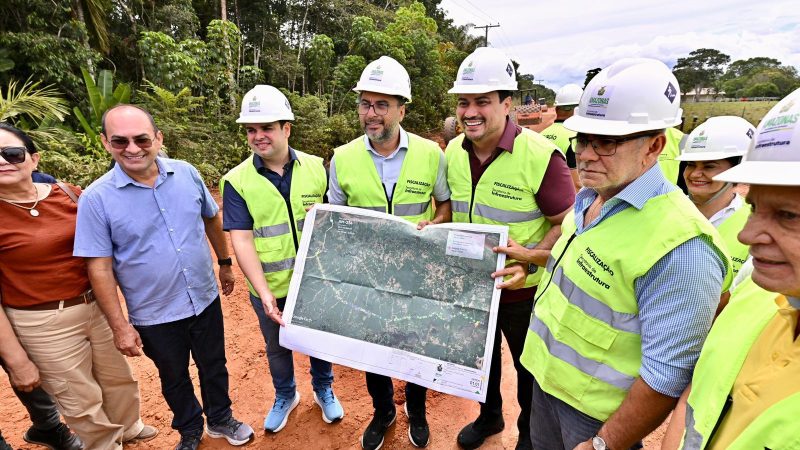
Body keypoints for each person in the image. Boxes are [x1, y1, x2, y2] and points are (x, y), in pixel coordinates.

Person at [519, 58, 732, 450]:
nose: (585, 155)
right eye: (583, 140)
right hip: (543, 380)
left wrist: (604, 443)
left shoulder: (682, 248)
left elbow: (666, 374)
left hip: (594, 416)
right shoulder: (589, 200)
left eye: (607, 143)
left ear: (654, 146)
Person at [73, 105, 253, 450]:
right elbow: (98, 266)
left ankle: (220, 419)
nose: (132, 148)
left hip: (203, 297)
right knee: (174, 377)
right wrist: (120, 325)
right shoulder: (96, 199)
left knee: (214, 364)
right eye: (120, 141)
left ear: (158, 139)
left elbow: (211, 218)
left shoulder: (186, 174)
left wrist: (225, 262)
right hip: (153, 313)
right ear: (105, 143)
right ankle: (189, 429)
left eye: (141, 139)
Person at [445, 47, 575, 450]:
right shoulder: (452, 152)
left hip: (525, 290)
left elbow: (567, 225)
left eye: (482, 101)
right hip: (472, 286)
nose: (470, 111)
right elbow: (450, 208)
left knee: (527, 365)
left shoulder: (539, 156)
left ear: (507, 103)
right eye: (464, 102)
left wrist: (533, 258)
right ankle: (489, 417)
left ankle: (530, 432)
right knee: (480, 360)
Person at [0, 122, 155, 449]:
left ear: (34, 159)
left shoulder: (69, 193)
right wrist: (16, 360)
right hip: (40, 322)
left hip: (94, 305)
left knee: (118, 377)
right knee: (78, 396)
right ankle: (104, 444)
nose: (3, 161)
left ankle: (129, 426)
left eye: (11, 153)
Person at [662, 86, 800, 449]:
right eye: (754, 207)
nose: (747, 235)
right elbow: (703, 386)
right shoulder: (757, 290)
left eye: (787, 216)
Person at [327, 55, 452, 450]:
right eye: (365, 103)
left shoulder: (432, 154)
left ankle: (417, 410)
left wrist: (436, 223)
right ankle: (383, 412)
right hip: (368, 277)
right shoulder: (343, 158)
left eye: (382, 104)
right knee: (373, 349)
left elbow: (445, 205)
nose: (372, 113)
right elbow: (337, 217)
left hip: (417, 274)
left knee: (416, 343)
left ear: (402, 108)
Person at [221, 85, 344, 432]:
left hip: (316, 281)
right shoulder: (237, 181)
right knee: (277, 348)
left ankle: (323, 389)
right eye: (251, 130)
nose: (258, 136)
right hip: (269, 286)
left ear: (286, 129)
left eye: (267, 128)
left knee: (319, 342)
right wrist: (262, 292)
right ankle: (286, 395)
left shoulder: (317, 168)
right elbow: (242, 240)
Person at [675, 116, 755, 278]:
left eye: (709, 166)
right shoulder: (664, 210)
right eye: (691, 164)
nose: (695, 174)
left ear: (738, 169)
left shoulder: (754, 225)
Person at [541, 83, 584, 191]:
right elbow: (578, 183)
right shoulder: (575, 138)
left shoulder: (541, 134)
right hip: (564, 201)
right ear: (577, 110)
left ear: (556, 109)